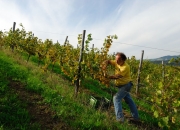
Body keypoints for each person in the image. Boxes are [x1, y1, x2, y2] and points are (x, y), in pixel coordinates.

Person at [102, 52, 139, 123]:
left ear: (123, 60)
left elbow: (117, 76)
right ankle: (136, 117)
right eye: (115, 59)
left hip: (126, 86)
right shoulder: (116, 62)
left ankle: (120, 119)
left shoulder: (125, 67)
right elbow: (108, 61)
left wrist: (107, 76)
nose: (116, 61)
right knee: (129, 100)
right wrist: (105, 64)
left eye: (118, 60)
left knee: (116, 98)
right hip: (121, 86)